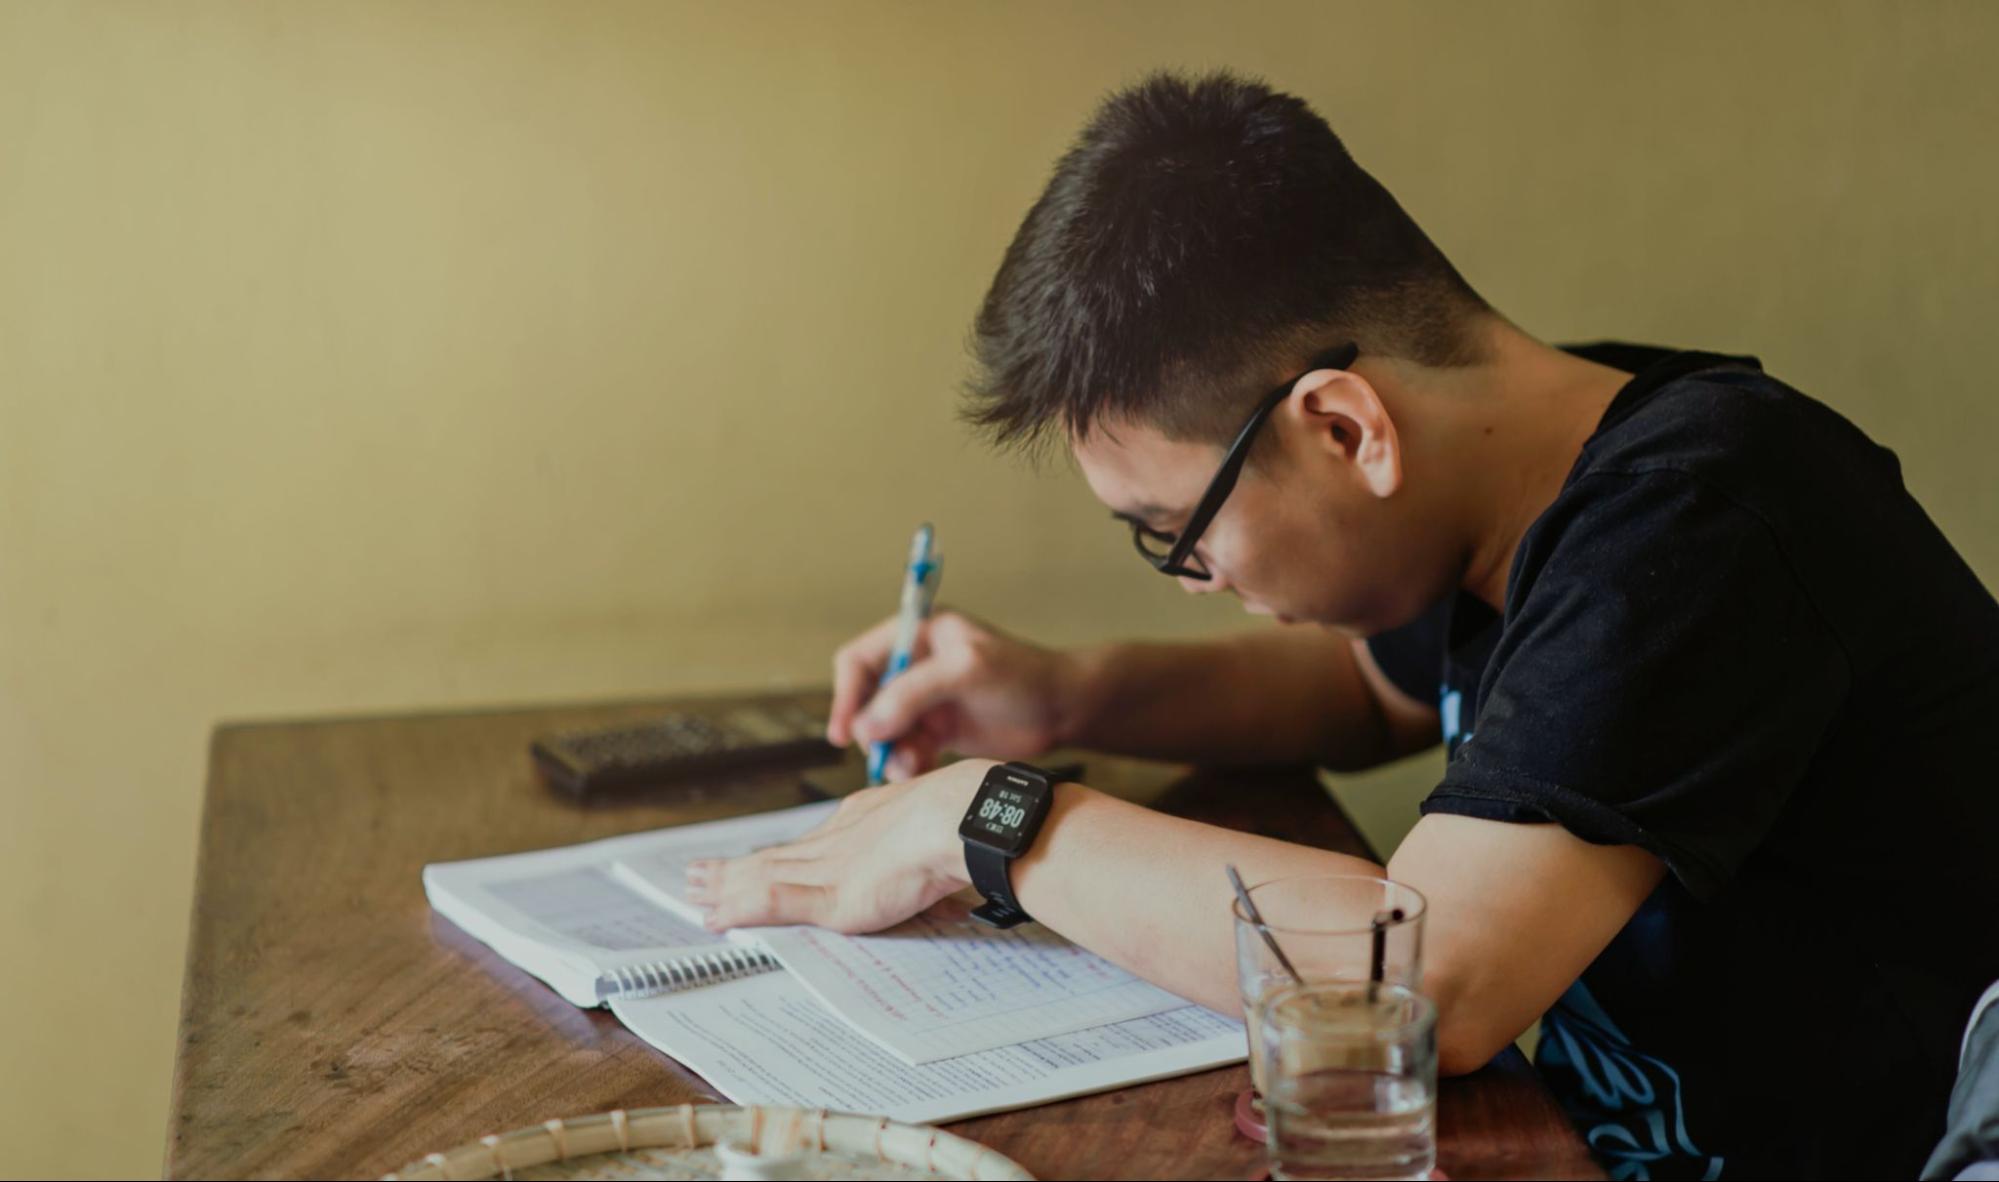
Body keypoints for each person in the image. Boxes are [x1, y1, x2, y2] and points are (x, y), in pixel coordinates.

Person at [685, 71, 1999, 1179]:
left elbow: (1428, 979)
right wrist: (1064, 692)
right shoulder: (1529, 471)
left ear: (1343, 427)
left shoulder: (1701, 515)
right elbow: (1364, 694)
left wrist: (990, 818)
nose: (1189, 574)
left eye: (1177, 531)